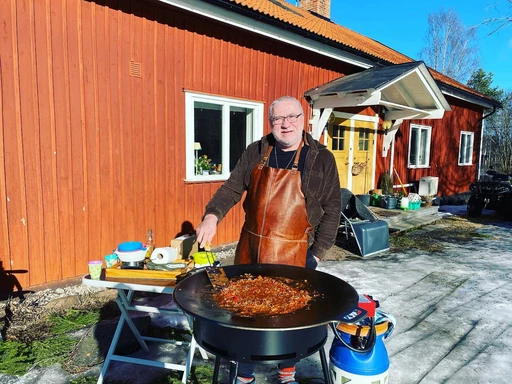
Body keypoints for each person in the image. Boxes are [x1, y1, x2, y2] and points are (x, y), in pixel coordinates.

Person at [196, 95, 341, 384]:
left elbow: (333, 207)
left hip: (294, 254)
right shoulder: (256, 151)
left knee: (288, 320)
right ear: (271, 122)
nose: (285, 124)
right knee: (244, 315)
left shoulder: (320, 157)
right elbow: (232, 188)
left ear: (303, 119)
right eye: (278, 119)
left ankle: (287, 374)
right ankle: (245, 375)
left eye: (292, 117)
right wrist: (212, 215)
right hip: (250, 250)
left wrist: (320, 252)